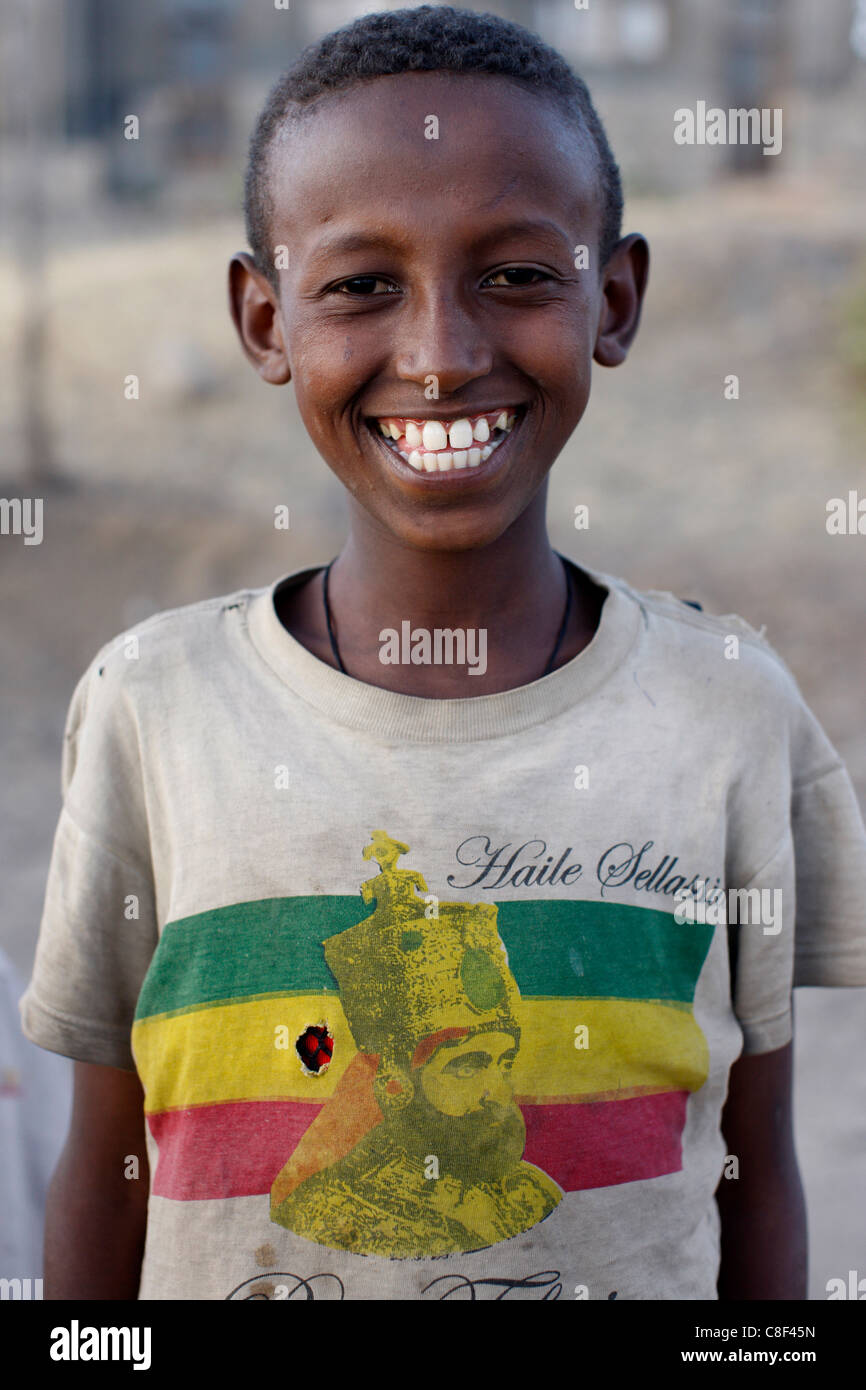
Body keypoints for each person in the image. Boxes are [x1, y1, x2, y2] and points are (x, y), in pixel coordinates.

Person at [20, 6, 866, 1301]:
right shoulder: (153, 707)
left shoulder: (727, 712)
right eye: (361, 286)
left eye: (517, 274)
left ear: (614, 298)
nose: (439, 354)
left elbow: (754, 1166)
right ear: (263, 320)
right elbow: (104, 1166)